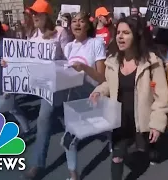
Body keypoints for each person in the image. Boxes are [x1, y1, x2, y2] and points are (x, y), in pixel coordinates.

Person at [91, 16, 168, 180]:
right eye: (118, 32)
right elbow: (109, 84)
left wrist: (157, 124)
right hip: (119, 120)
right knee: (117, 155)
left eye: (126, 33)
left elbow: (161, 96)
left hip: (142, 119)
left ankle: (150, 149)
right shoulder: (112, 61)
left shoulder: (152, 62)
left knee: (143, 149)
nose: (120, 36)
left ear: (136, 35)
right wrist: (99, 91)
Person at [17, 0, 71, 178]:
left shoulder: (60, 33)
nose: (33, 17)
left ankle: (37, 165)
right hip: (39, 85)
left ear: (46, 15)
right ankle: (74, 134)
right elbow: (26, 59)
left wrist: (54, 67)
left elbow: (68, 59)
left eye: (37, 14)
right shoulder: (32, 35)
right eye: (32, 14)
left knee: (43, 118)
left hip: (55, 86)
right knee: (64, 116)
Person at [60, 12, 107, 180]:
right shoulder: (69, 47)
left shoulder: (96, 43)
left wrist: (85, 68)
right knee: (68, 140)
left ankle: (112, 141)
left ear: (88, 25)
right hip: (73, 100)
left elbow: (102, 78)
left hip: (93, 97)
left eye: (81, 21)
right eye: (74, 21)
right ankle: (74, 175)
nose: (77, 24)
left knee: (107, 130)